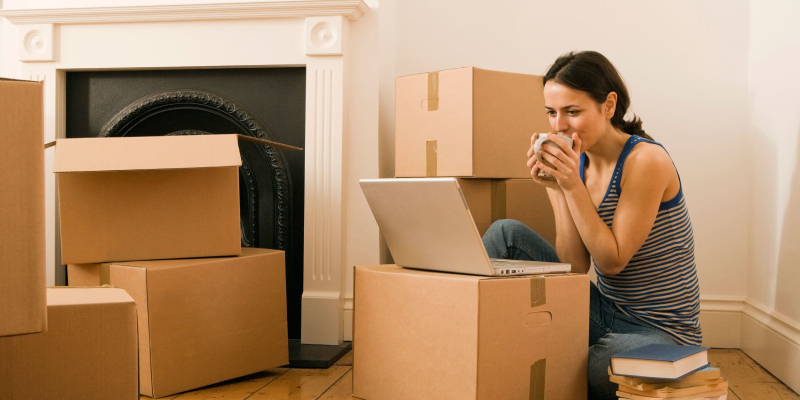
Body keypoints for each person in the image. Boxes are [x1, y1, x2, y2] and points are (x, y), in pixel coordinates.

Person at [482, 51, 702, 400]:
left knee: (600, 368)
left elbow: (612, 262)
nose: (559, 126)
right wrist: (557, 189)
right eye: (552, 113)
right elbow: (575, 267)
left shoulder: (646, 161)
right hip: (607, 313)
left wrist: (571, 186)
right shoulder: (579, 163)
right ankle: (467, 342)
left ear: (608, 105)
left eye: (572, 111)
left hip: (660, 332)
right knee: (505, 233)